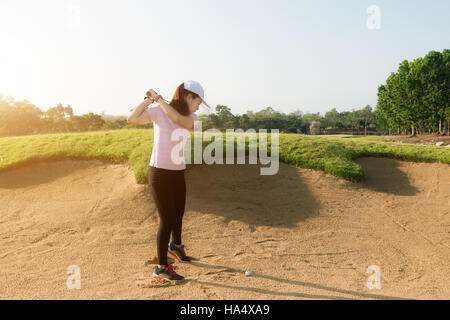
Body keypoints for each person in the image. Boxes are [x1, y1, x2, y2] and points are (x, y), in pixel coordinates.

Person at [127, 80, 210, 283]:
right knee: (167, 220)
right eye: (198, 101)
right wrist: (148, 100)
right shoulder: (158, 111)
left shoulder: (192, 118)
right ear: (188, 97)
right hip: (159, 174)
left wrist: (158, 99)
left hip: (177, 172)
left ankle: (176, 246)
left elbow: (177, 118)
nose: (199, 106)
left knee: (178, 213)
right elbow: (132, 118)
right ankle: (161, 267)